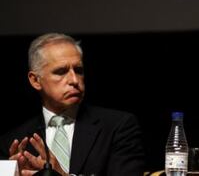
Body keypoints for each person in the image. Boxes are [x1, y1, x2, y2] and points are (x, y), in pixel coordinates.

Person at [0, 33, 145, 176]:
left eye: (79, 70)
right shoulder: (12, 140)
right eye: (61, 72)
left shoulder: (118, 126)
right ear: (35, 81)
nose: (74, 80)